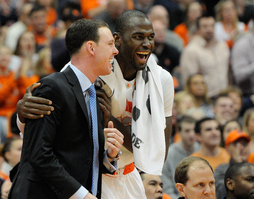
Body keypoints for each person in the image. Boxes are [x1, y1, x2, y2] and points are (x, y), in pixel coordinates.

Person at [17, 10, 174, 199]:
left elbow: (157, 153)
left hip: (125, 174)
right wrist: (21, 116)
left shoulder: (161, 79)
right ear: (118, 39)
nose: (147, 44)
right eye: (138, 37)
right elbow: (46, 140)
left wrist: (110, 125)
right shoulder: (85, 73)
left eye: (151, 37)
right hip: (85, 181)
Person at [8, 19, 122, 199]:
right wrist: (82, 196)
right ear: (91, 48)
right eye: (110, 44)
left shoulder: (96, 93)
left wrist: (109, 156)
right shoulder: (53, 87)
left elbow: (77, 157)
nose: (115, 51)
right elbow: (38, 154)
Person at [180, 15, 230, 98]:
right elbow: (188, 80)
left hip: (224, 95)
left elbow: (229, 73)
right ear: (198, 30)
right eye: (205, 26)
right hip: (205, 98)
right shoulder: (191, 50)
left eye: (212, 26)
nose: (209, 29)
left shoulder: (223, 46)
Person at [162, 116, 200, 199]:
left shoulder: (201, 150)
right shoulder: (169, 154)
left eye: (194, 130)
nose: (191, 134)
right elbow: (167, 188)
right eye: (187, 131)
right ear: (178, 132)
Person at [214, 129, 251, 199]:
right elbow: (221, 193)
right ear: (227, 149)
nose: (241, 148)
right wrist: (239, 166)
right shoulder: (221, 169)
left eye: (244, 144)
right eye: (235, 144)